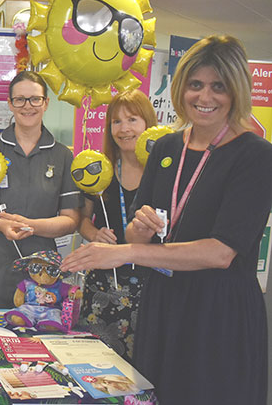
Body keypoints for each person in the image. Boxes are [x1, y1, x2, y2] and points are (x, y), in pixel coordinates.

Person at [62, 35, 271, 404]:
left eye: (218, 87)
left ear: (236, 90)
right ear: (181, 87)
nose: (204, 98)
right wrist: (137, 232)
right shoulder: (166, 148)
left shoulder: (255, 156)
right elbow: (137, 233)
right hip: (163, 301)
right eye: (196, 85)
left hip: (217, 310)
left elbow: (221, 253)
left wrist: (125, 252)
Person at [0, 70, 82, 309]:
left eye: (35, 99)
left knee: (33, 341)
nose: (27, 106)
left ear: (46, 103)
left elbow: (71, 220)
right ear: (10, 104)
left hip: (39, 272)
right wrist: (1, 225)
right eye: (19, 99)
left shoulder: (62, 155)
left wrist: (31, 226)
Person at [76, 89, 157, 361]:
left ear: (148, 123)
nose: (124, 129)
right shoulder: (102, 170)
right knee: (96, 367)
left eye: (133, 119)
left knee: (145, 367)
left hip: (151, 287)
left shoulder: (163, 172)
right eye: (116, 122)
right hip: (103, 287)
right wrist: (94, 233)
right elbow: (82, 220)